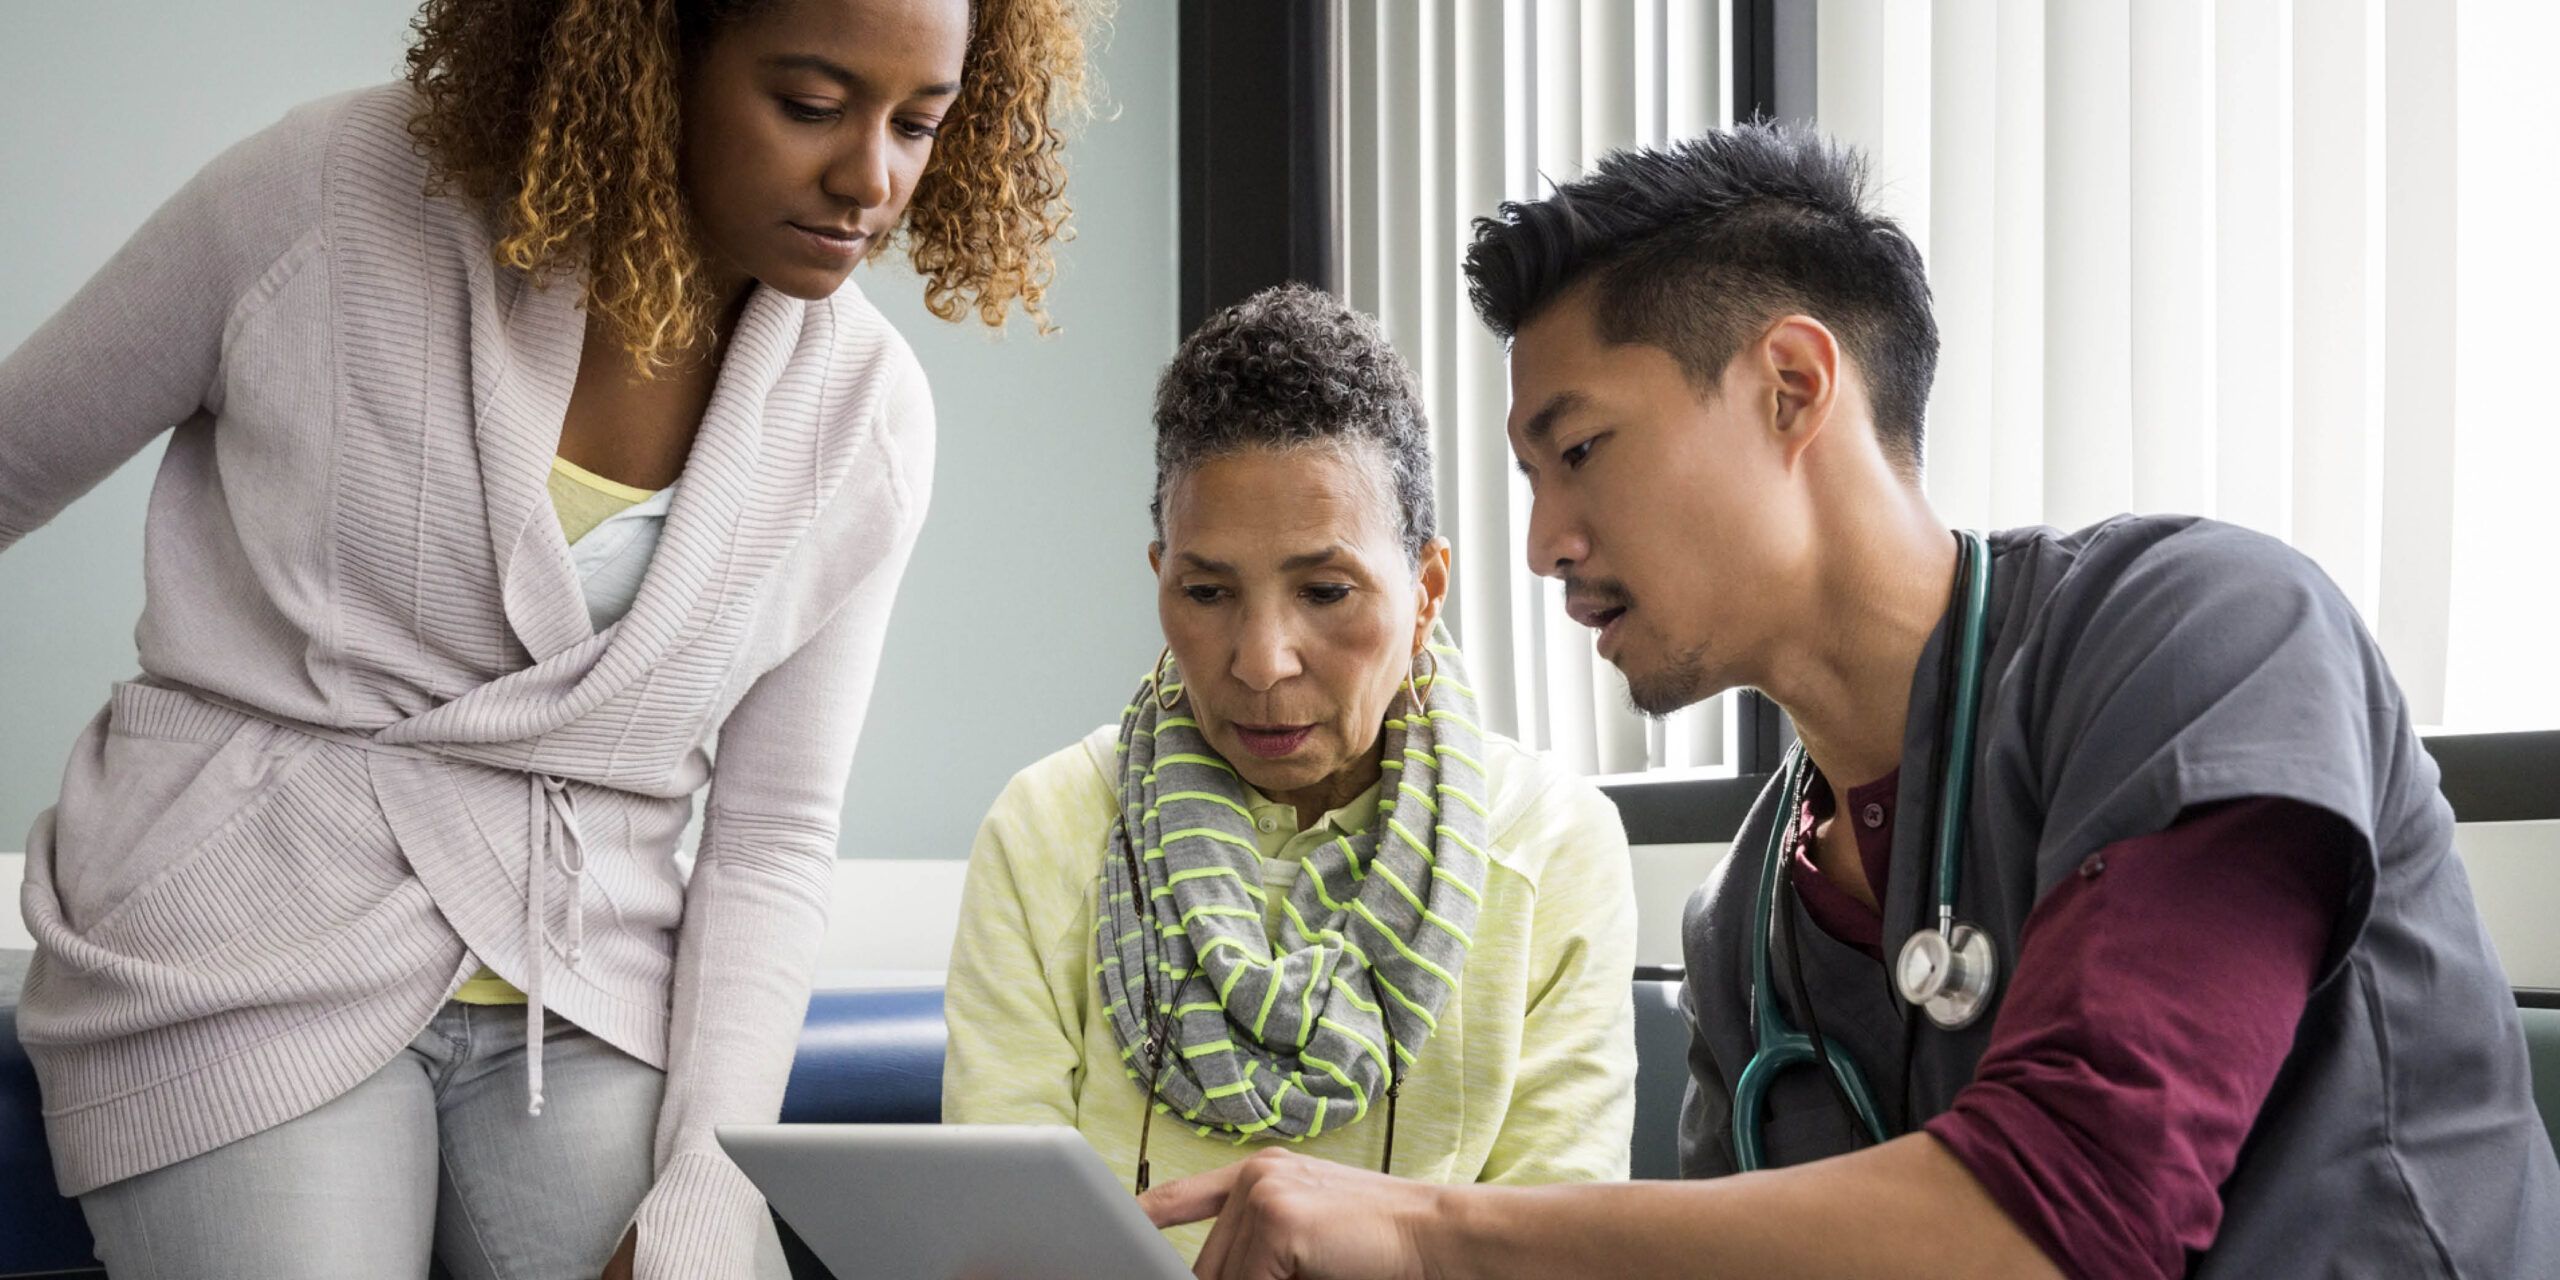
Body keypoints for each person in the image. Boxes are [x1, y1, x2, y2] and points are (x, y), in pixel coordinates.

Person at [1141, 126, 2560, 1278]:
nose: (1545, 542)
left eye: (1579, 452)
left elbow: (2068, 1220)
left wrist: (1431, 1231)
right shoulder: (1749, 919)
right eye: (1530, 477)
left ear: (1791, 385)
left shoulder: (2206, 637)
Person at [0, 1, 1092, 1276]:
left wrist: (708, 1182)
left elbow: (772, 835)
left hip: (585, 997)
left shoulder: (868, 415)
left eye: (920, 122)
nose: (871, 178)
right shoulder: (324, 197)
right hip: (240, 945)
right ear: (648, 50)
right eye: (809, 105)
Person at [942, 284, 1641, 1261]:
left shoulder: (1551, 843)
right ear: (1159, 579)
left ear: (1425, 589)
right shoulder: (1049, 825)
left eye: (1325, 589)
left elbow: (1558, 1254)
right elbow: (996, 1243)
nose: (1261, 659)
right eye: (1206, 590)